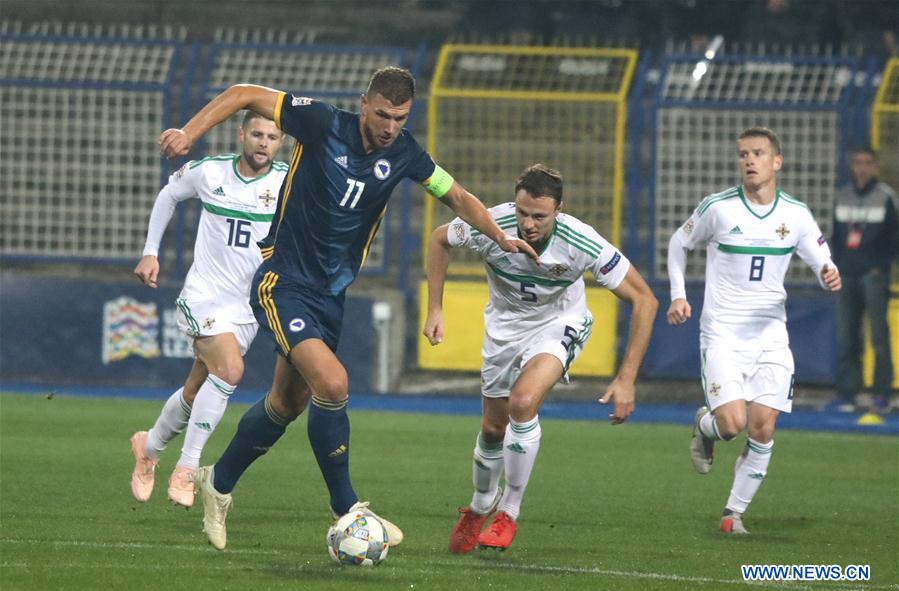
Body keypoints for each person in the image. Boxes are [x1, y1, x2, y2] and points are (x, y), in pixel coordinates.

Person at [157, 66, 539, 550]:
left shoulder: (404, 153)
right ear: (364, 104)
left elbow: (458, 196)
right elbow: (243, 93)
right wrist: (190, 133)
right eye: (383, 114)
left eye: (400, 118)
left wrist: (501, 236)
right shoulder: (322, 123)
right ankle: (347, 509)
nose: (390, 127)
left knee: (287, 403)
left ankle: (219, 483)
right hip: (284, 281)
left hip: (330, 295)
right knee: (334, 383)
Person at [423, 164, 658, 553]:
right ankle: (481, 504)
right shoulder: (490, 224)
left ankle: (508, 512)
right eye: (522, 213)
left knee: (523, 401)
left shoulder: (581, 241)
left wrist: (627, 377)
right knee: (492, 430)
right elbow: (438, 239)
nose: (528, 224)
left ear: (559, 210)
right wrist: (435, 308)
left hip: (558, 323)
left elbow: (645, 300)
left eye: (539, 216)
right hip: (503, 329)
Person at [667, 127, 842, 535]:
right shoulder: (719, 208)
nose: (749, 160)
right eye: (743, 153)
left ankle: (733, 514)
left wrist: (828, 275)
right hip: (723, 335)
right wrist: (679, 295)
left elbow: (823, 262)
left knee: (763, 426)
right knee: (732, 425)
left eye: (758, 153)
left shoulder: (795, 214)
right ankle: (705, 425)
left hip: (770, 336)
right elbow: (679, 244)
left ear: (776, 162)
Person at [130, 111, 286, 507]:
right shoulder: (211, 172)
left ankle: (149, 447)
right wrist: (151, 253)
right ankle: (188, 466)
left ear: (280, 142)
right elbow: (168, 194)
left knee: (197, 387)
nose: (263, 142)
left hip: (248, 307)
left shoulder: (289, 180)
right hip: (204, 296)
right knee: (231, 371)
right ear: (241, 135)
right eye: (257, 134)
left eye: (272, 136)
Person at [831, 147, 897, 415]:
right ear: (851, 165)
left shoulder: (886, 198)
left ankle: (882, 394)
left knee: (879, 336)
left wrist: (880, 267)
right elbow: (836, 236)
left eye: (867, 163)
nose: (862, 168)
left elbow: (895, 238)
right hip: (846, 273)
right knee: (847, 336)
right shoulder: (842, 196)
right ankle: (848, 394)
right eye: (857, 163)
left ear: (875, 166)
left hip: (873, 276)